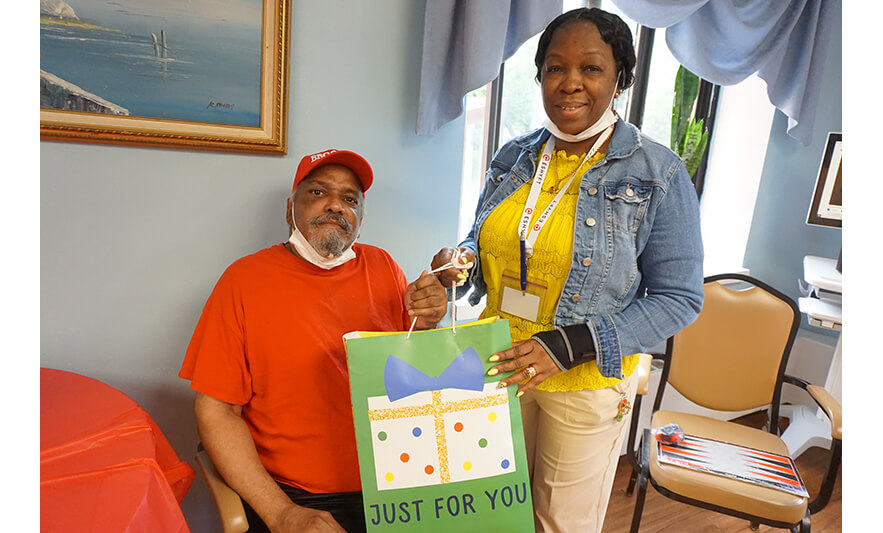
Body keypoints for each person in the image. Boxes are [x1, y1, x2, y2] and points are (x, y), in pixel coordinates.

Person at [431, 8, 704, 532]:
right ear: (539, 77)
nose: (569, 83)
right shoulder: (514, 156)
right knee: (485, 513)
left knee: (557, 523)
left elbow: (679, 298)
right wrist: (459, 262)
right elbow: (484, 238)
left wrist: (572, 343)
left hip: (583, 381)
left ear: (620, 79)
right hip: (497, 362)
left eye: (591, 69)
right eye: (555, 68)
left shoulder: (658, 172)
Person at [181, 149, 448, 533]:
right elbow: (216, 412)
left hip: (397, 483)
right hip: (294, 496)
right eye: (318, 193)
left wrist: (431, 321)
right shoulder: (243, 282)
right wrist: (282, 513)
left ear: (360, 219)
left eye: (350, 199)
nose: (336, 205)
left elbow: (419, 378)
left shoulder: (384, 267)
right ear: (290, 209)